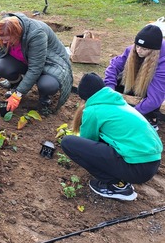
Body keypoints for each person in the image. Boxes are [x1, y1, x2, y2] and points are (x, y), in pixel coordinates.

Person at [61, 73, 162, 201]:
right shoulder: (119, 104)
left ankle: (116, 185)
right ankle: (120, 179)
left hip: (136, 169)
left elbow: (87, 141)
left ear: (85, 98)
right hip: (152, 162)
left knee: (68, 142)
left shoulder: (93, 110)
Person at [0, 13, 73, 114]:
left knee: (48, 85)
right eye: (1, 39)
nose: (4, 42)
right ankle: (17, 86)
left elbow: (36, 68)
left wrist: (17, 95)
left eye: (6, 40)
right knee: (1, 66)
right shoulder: (3, 30)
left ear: (17, 34)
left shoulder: (37, 34)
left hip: (50, 64)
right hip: (26, 60)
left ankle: (44, 99)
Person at [104, 24, 165, 126]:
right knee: (117, 80)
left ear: (154, 51)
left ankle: (151, 119)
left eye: (144, 49)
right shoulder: (132, 50)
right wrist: (109, 89)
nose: (139, 51)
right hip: (139, 79)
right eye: (137, 46)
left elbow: (154, 99)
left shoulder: (162, 66)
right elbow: (114, 66)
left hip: (155, 84)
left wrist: (130, 114)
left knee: (153, 101)